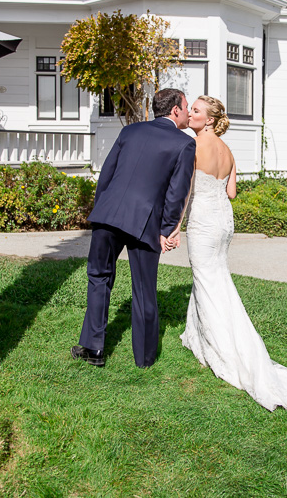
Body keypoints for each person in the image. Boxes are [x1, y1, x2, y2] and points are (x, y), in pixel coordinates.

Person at [170, 96, 287, 415]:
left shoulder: (193, 148)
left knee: (206, 280)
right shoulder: (228, 152)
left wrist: (175, 227)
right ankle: (198, 337)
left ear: (210, 119)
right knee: (214, 276)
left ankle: (223, 350)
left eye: (197, 111)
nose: (191, 113)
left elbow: (186, 193)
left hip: (204, 219)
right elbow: (231, 192)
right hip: (224, 221)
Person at [72, 88, 196, 368]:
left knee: (99, 277)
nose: (188, 112)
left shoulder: (130, 131)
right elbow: (176, 194)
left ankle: (93, 349)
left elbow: (107, 174)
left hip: (108, 214)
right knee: (144, 288)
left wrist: (100, 208)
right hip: (145, 223)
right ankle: (145, 359)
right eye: (186, 107)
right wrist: (166, 230)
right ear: (175, 110)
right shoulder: (185, 144)